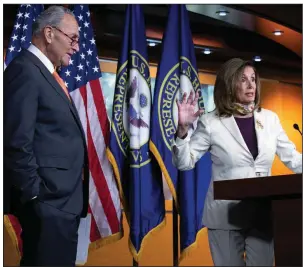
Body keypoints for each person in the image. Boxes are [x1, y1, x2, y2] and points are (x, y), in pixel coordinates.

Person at [172, 58, 302, 266]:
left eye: (253, 79)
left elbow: (293, 159)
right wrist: (182, 130)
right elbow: (184, 162)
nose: (251, 85)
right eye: (243, 80)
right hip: (225, 216)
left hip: (261, 213)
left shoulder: (270, 119)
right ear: (229, 84)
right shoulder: (211, 122)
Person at [4, 6, 89, 266]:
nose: (76, 47)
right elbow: (15, 140)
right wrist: (34, 197)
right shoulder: (25, 71)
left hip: (62, 203)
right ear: (49, 34)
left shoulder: (50, 75)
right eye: (72, 38)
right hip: (48, 204)